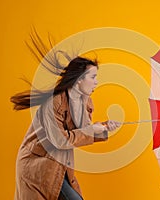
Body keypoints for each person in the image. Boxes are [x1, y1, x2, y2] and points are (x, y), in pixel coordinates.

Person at [11, 32, 120, 200]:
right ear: (79, 80)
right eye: (93, 77)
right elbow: (60, 140)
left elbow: (82, 132)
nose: (96, 81)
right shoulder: (53, 103)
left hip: (59, 167)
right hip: (37, 166)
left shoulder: (85, 102)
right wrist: (92, 130)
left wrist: (105, 127)